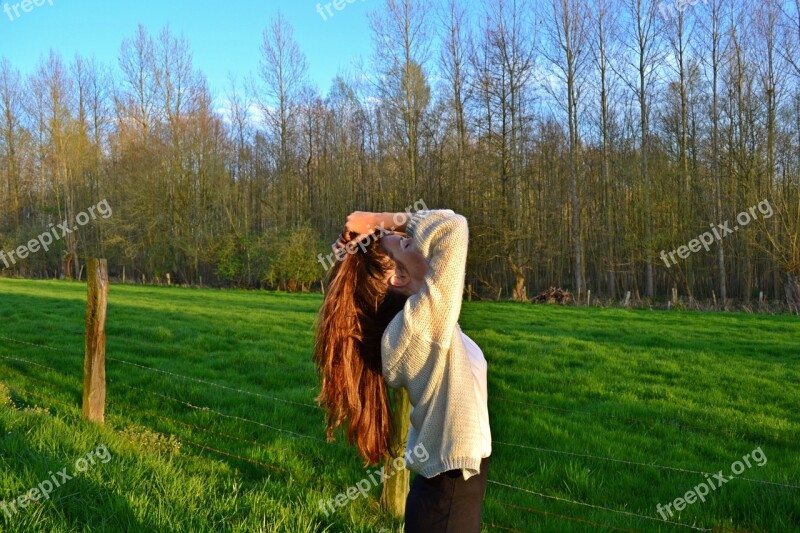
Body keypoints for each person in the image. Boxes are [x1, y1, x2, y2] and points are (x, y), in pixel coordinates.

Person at [313, 208, 491, 532]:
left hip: (451, 491)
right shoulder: (417, 326)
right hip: (446, 497)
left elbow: (448, 221)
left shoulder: (424, 318)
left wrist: (376, 232)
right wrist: (379, 220)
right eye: (408, 245)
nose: (418, 243)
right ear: (398, 278)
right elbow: (453, 226)